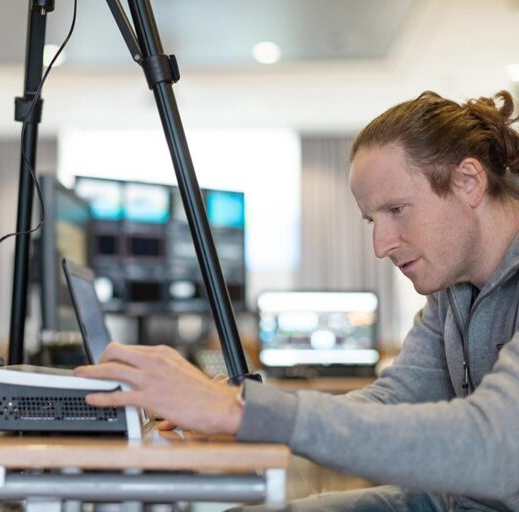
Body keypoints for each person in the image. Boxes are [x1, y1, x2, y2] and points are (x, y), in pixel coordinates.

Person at [75, 90, 519, 511]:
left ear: (468, 181)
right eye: (371, 220)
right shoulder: (451, 293)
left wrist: (241, 413)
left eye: (397, 210)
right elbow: (394, 401)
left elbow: (496, 444)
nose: (380, 246)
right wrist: (234, 410)